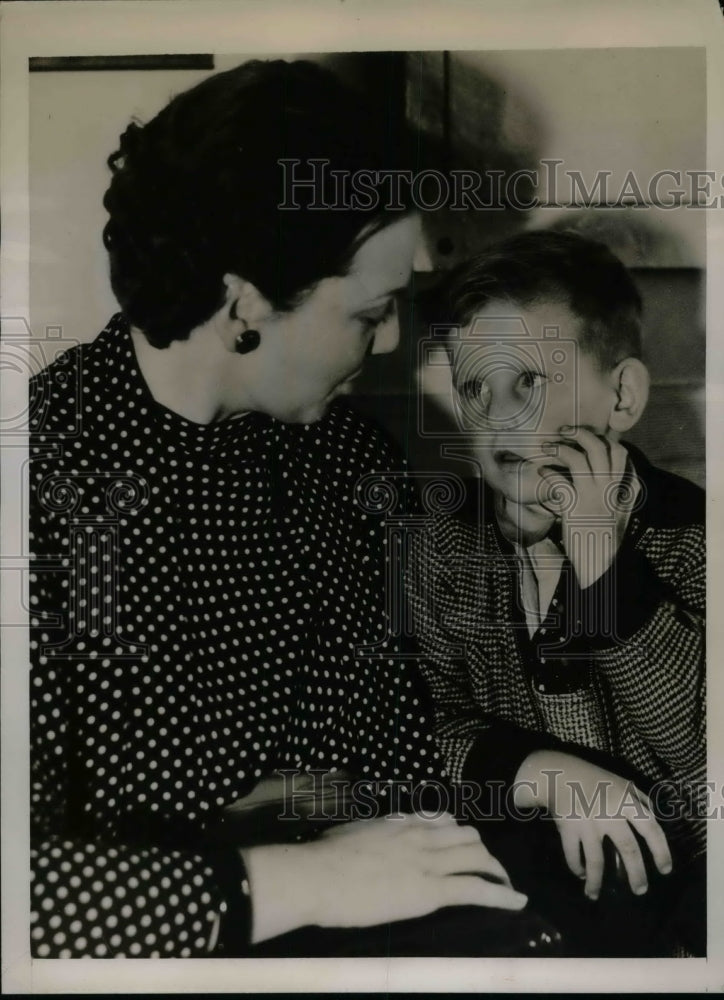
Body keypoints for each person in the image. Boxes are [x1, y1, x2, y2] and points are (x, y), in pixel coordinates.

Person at [28, 59, 561, 960]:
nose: (393, 340)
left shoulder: (342, 457)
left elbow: (397, 746)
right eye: (372, 310)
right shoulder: (38, 481)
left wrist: (524, 768)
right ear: (244, 302)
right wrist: (305, 881)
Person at [408, 230, 705, 955]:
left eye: (530, 383)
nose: (499, 417)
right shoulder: (441, 551)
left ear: (623, 396)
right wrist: (545, 773)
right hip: (526, 900)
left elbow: (699, 750)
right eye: (476, 388)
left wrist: (600, 561)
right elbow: (413, 732)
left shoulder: (695, 541)